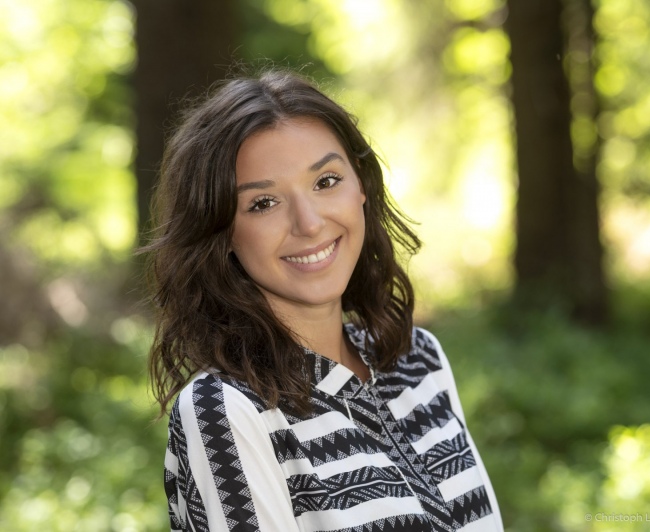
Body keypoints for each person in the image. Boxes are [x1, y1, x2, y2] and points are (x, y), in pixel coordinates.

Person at [142, 69, 503, 532]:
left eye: (326, 181)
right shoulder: (226, 409)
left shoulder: (418, 359)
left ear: (362, 188)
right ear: (223, 234)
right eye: (263, 203)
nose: (309, 223)